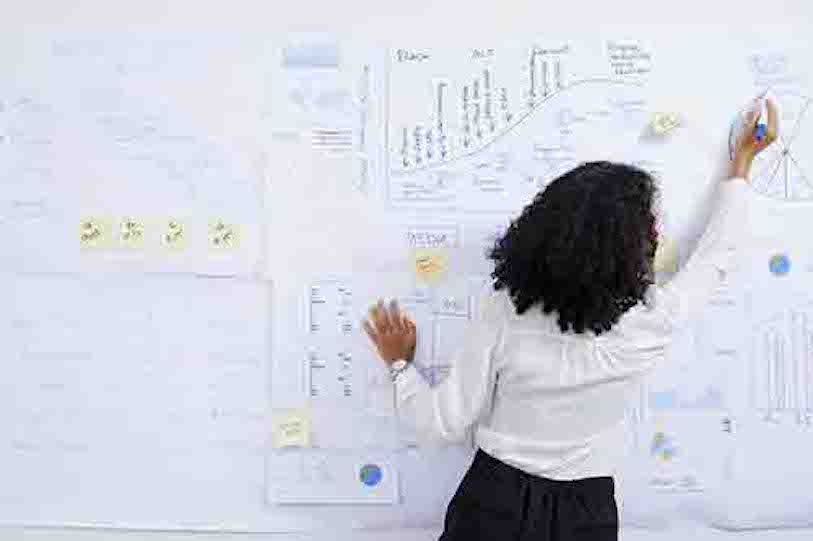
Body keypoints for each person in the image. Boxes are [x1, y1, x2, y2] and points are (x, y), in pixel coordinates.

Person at [363, 100, 778, 541]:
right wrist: (742, 164)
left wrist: (401, 367)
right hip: (587, 512)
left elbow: (444, 421)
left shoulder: (505, 310)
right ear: (628, 252)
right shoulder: (651, 322)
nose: (657, 234)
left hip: (493, 502)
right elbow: (717, 258)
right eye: (648, 230)